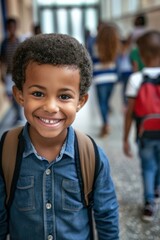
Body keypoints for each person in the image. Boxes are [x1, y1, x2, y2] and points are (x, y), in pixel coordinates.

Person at [0, 33, 119, 239]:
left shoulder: (91, 156)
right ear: (20, 95)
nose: (51, 107)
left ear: (80, 101)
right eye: (38, 93)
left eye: (64, 96)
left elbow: (107, 217)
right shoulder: (6, 152)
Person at [123, 30, 160, 222]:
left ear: (142, 55)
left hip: (145, 134)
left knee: (148, 166)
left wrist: (125, 139)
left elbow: (129, 112)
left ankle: (149, 204)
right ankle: (156, 187)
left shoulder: (135, 79)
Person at [91, 23, 119, 137]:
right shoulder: (114, 46)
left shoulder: (96, 46)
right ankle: (105, 121)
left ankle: (105, 124)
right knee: (106, 102)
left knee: (102, 103)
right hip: (112, 77)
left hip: (99, 78)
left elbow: (92, 61)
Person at [0, 17, 23, 125]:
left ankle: (19, 115)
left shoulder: (19, 42)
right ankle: (17, 113)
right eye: (9, 27)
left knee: (17, 93)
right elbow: (2, 60)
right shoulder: (4, 43)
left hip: (18, 73)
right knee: (10, 94)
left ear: (15, 27)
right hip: (9, 74)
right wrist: (1, 75)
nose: (11, 29)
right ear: (7, 28)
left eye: (13, 27)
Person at [117, 36, 133, 109]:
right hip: (124, 72)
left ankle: (126, 102)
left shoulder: (129, 51)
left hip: (127, 71)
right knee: (125, 88)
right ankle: (125, 103)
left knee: (126, 87)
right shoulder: (120, 52)